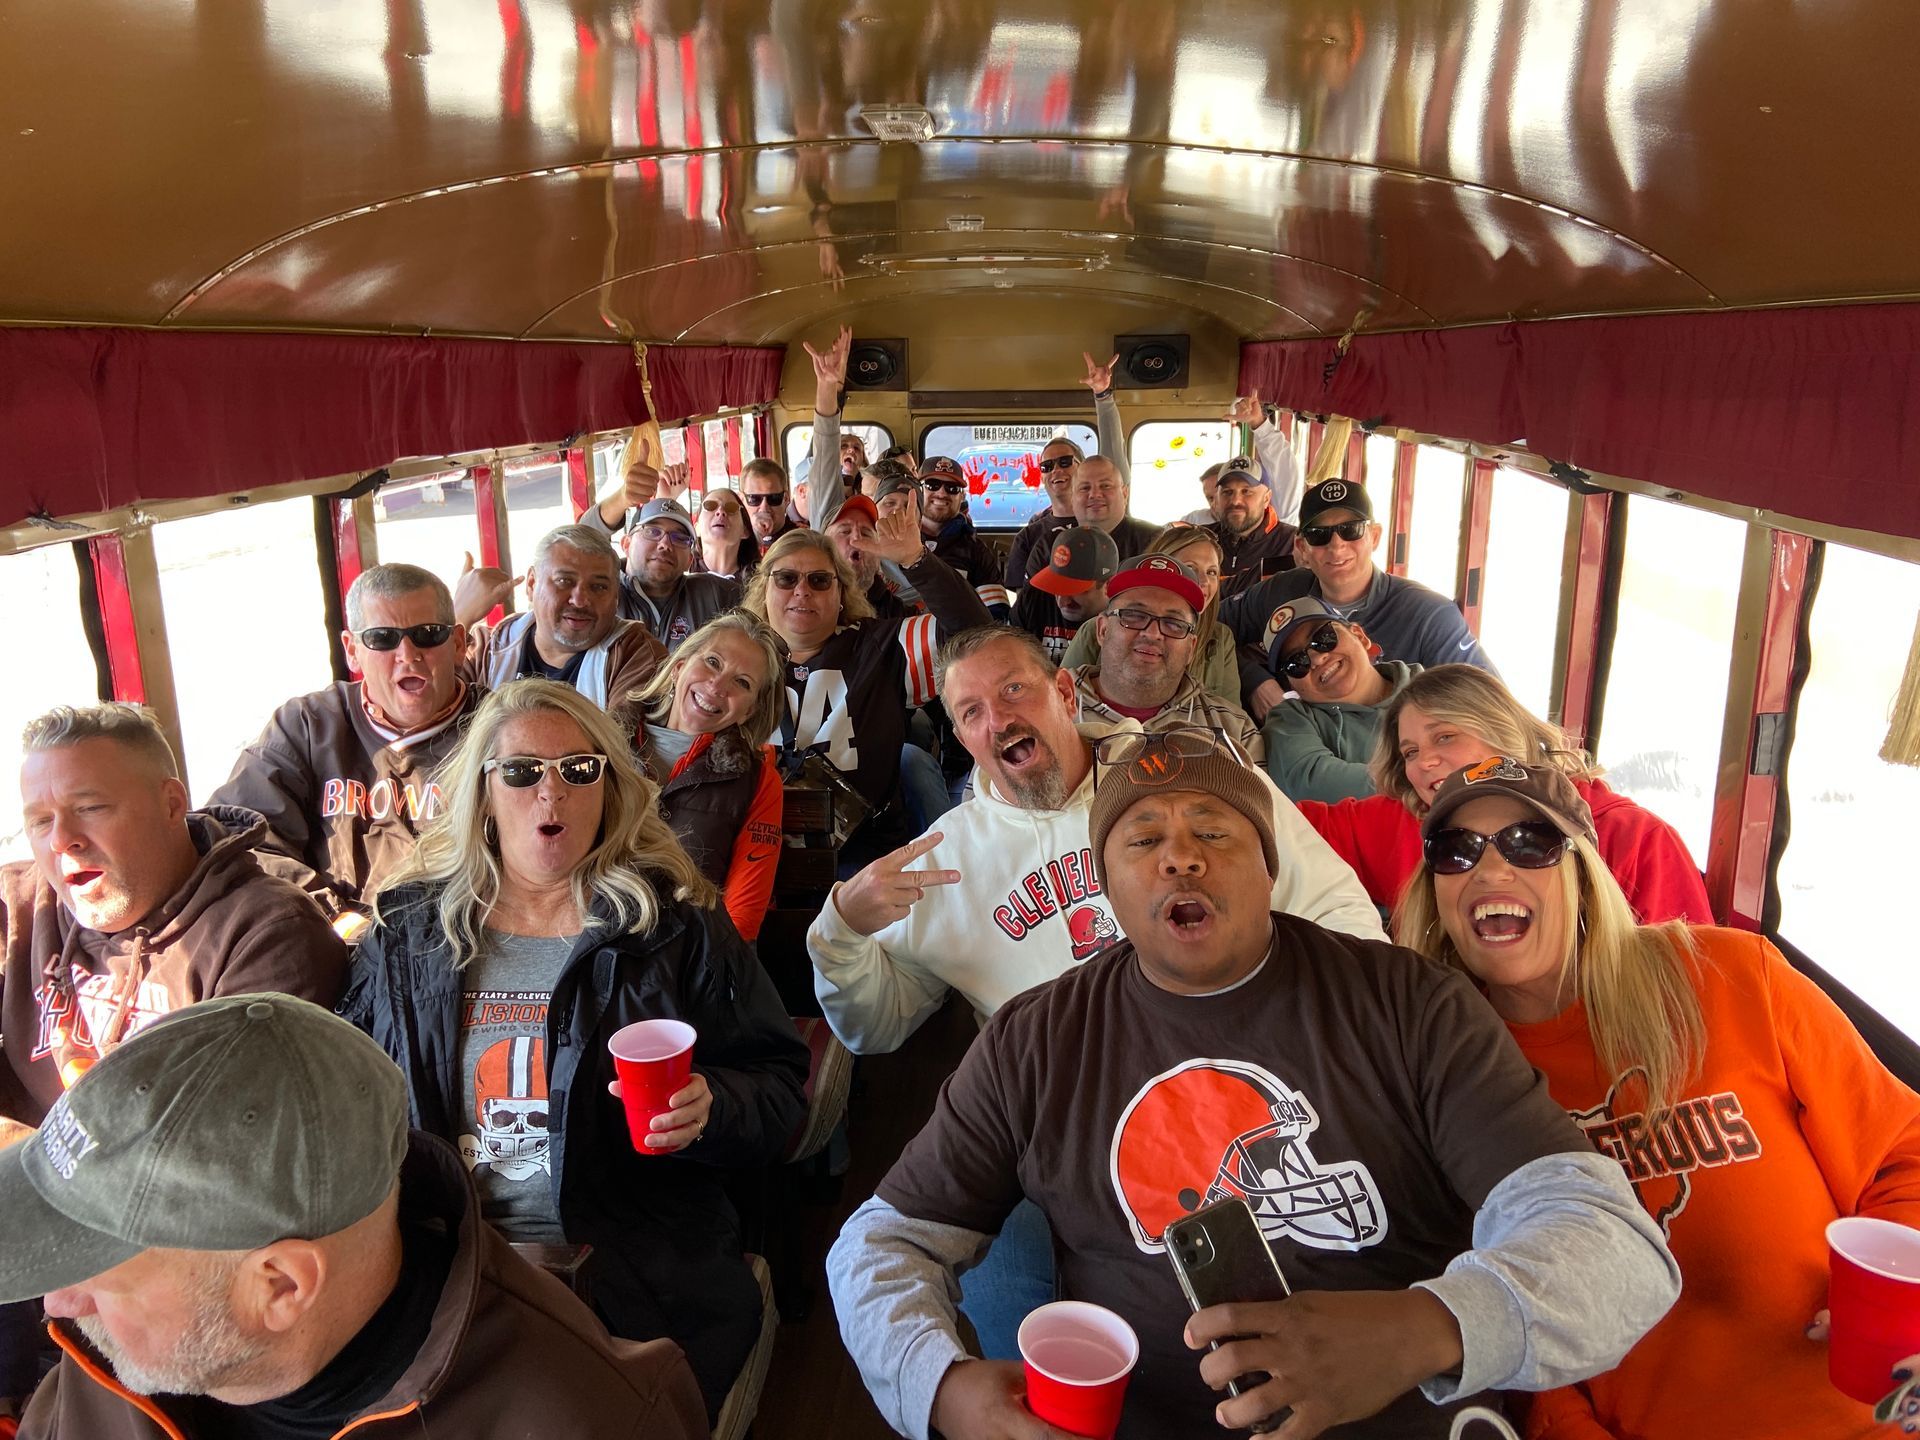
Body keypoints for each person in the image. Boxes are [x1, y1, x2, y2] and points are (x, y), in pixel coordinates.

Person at [828, 728, 1679, 1440]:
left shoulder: (1410, 1002)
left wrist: (1428, 1328)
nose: (1181, 860)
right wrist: (939, 1386)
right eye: (1143, 840)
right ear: (1109, 884)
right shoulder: (1036, 1040)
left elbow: (1614, 1246)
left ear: (1268, 867)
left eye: (1216, 831)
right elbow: (880, 1245)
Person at [810, 627, 1385, 1361]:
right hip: (1043, 1128)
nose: (999, 719)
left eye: (1015, 689)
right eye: (972, 712)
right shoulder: (943, 863)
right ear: (960, 735)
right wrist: (841, 935)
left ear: (1066, 692)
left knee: (1278, 1330)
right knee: (1017, 1350)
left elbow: (1342, 916)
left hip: (1227, 1095)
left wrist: (1314, 1053)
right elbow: (874, 1028)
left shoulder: (1189, 778)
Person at [1398, 758, 1920, 1440]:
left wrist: (1900, 1295)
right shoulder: (1436, 1077)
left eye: (1530, 842)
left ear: (1583, 875)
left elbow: (1901, 1151)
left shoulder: (1734, 978)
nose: (1491, 872)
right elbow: (1488, 1317)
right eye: (1455, 851)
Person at [343, 679, 808, 1416]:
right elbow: (348, 1103)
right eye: (522, 772)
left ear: (611, 786)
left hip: (630, 1264)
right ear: (483, 796)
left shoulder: (677, 930)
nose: (550, 793)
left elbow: (780, 1090)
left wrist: (713, 1106)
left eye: (578, 770)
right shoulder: (407, 937)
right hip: (438, 1266)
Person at [0, 992, 707, 1439]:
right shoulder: (105, 1367)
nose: (58, 1305)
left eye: (96, 1266)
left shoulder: (591, 1418)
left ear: (279, 1285)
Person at [2, 702, 348, 1131]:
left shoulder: (266, 937)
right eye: (40, 821)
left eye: (89, 808)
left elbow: (205, 1149)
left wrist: (25, 1156)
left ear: (171, 804)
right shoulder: (21, 907)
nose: (61, 840)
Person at [1297, 665, 1714, 925]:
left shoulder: (1634, 839)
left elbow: (1686, 988)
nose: (1424, 762)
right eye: (1410, 752)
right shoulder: (1409, 821)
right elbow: (1283, 822)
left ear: (1503, 732)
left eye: (1445, 737)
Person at [214, 563, 486, 934]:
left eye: (427, 634)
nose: (407, 653)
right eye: (382, 638)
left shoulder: (504, 729)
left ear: (457, 643)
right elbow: (239, 840)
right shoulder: (307, 727)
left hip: (464, 939)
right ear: (353, 650)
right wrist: (329, 916)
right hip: (330, 941)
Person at [743, 524, 991, 866]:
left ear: (841, 592)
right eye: (786, 579)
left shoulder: (880, 647)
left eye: (819, 580)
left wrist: (917, 561)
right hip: (755, 852)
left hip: (863, 855)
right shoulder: (736, 653)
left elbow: (975, 634)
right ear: (764, 587)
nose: (802, 591)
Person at [1225, 477, 1498, 722]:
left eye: (1351, 530)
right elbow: (1205, 628)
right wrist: (1253, 680)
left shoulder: (1428, 615)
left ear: (1374, 536)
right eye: (1319, 535)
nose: (1336, 545)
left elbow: (1491, 707)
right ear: (1302, 548)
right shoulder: (1281, 591)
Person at [625, 612, 786, 945]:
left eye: (742, 682)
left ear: (749, 711)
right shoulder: (601, 743)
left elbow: (741, 920)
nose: (717, 685)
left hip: (689, 962)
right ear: (680, 665)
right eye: (712, 662)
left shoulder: (758, 782)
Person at [462, 524, 668, 709]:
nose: (580, 600)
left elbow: (618, 745)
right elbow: (436, 718)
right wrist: (460, 618)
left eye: (598, 587)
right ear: (532, 584)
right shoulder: (485, 649)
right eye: (564, 581)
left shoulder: (635, 655)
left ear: (616, 596)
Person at [1069, 554, 1260, 753]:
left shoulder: (1235, 732)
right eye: (1134, 616)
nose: (1152, 634)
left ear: (1191, 649)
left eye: (1174, 624)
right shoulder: (1048, 709)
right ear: (1103, 630)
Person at [1061, 524, 1240, 709]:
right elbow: (1061, 694)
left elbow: (1229, 717)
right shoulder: (1094, 630)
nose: (1203, 582)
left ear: (1192, 645)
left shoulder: (1221, 638)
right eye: (1190, 569)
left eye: (1212, 572)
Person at [1261, 598, 1421, 802]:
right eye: (1296, 662)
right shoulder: (1291, 719)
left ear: (1360, 636)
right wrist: (1426, 782)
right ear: (1292, 683)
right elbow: (1309, 784)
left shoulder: (1437, 687)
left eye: (1324, 638)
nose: (1317, 659)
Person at [1000, 353, 1132, 591]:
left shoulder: (1105, 517)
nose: (1055, 471)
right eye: (1046, 467)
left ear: (1082, 467)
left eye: (1064, 462)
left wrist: (1103, 396)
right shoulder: (1032, 537)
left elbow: (1114, 457)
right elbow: (1023, 600)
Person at [609, 497, 741, 649]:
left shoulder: (714, 595)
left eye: (680, 538)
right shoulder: (602, 594)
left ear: (689, 560)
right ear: (626, 544)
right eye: (652, 531)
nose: (665, 544)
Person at [914, 457, 1010, 619]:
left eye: (952, 488)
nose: (942, 493)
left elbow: (996, 614)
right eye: (932, 485)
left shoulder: (975, 550)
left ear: (962, 496)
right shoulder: (895, 538)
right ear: (917, 490)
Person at [1010, 524, 1118, 663]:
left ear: (1108, 585)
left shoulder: (1125, 623)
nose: (1062, 601)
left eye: (1073, 590)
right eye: (1055, 586)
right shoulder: (1033, 598)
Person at [1207, 453, 1296, 597]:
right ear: (1216, 498)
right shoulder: (1202, 538)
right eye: (1227, 492)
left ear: (1266, 498)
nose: (1235, 501)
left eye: (1246, 491)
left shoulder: (1292, 543)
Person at [693, 486, 761, 586]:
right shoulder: (679, 577)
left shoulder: (760, 583)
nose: (720, 511)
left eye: (731, 508)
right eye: (710, 506)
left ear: (745, 531)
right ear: (696, 528)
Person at [741, 456, 797, 546]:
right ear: (741, 500)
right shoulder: (733, 542)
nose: (764, 507)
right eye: (754, 499)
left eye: (773, 498)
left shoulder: (803, 540)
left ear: (786, 498)